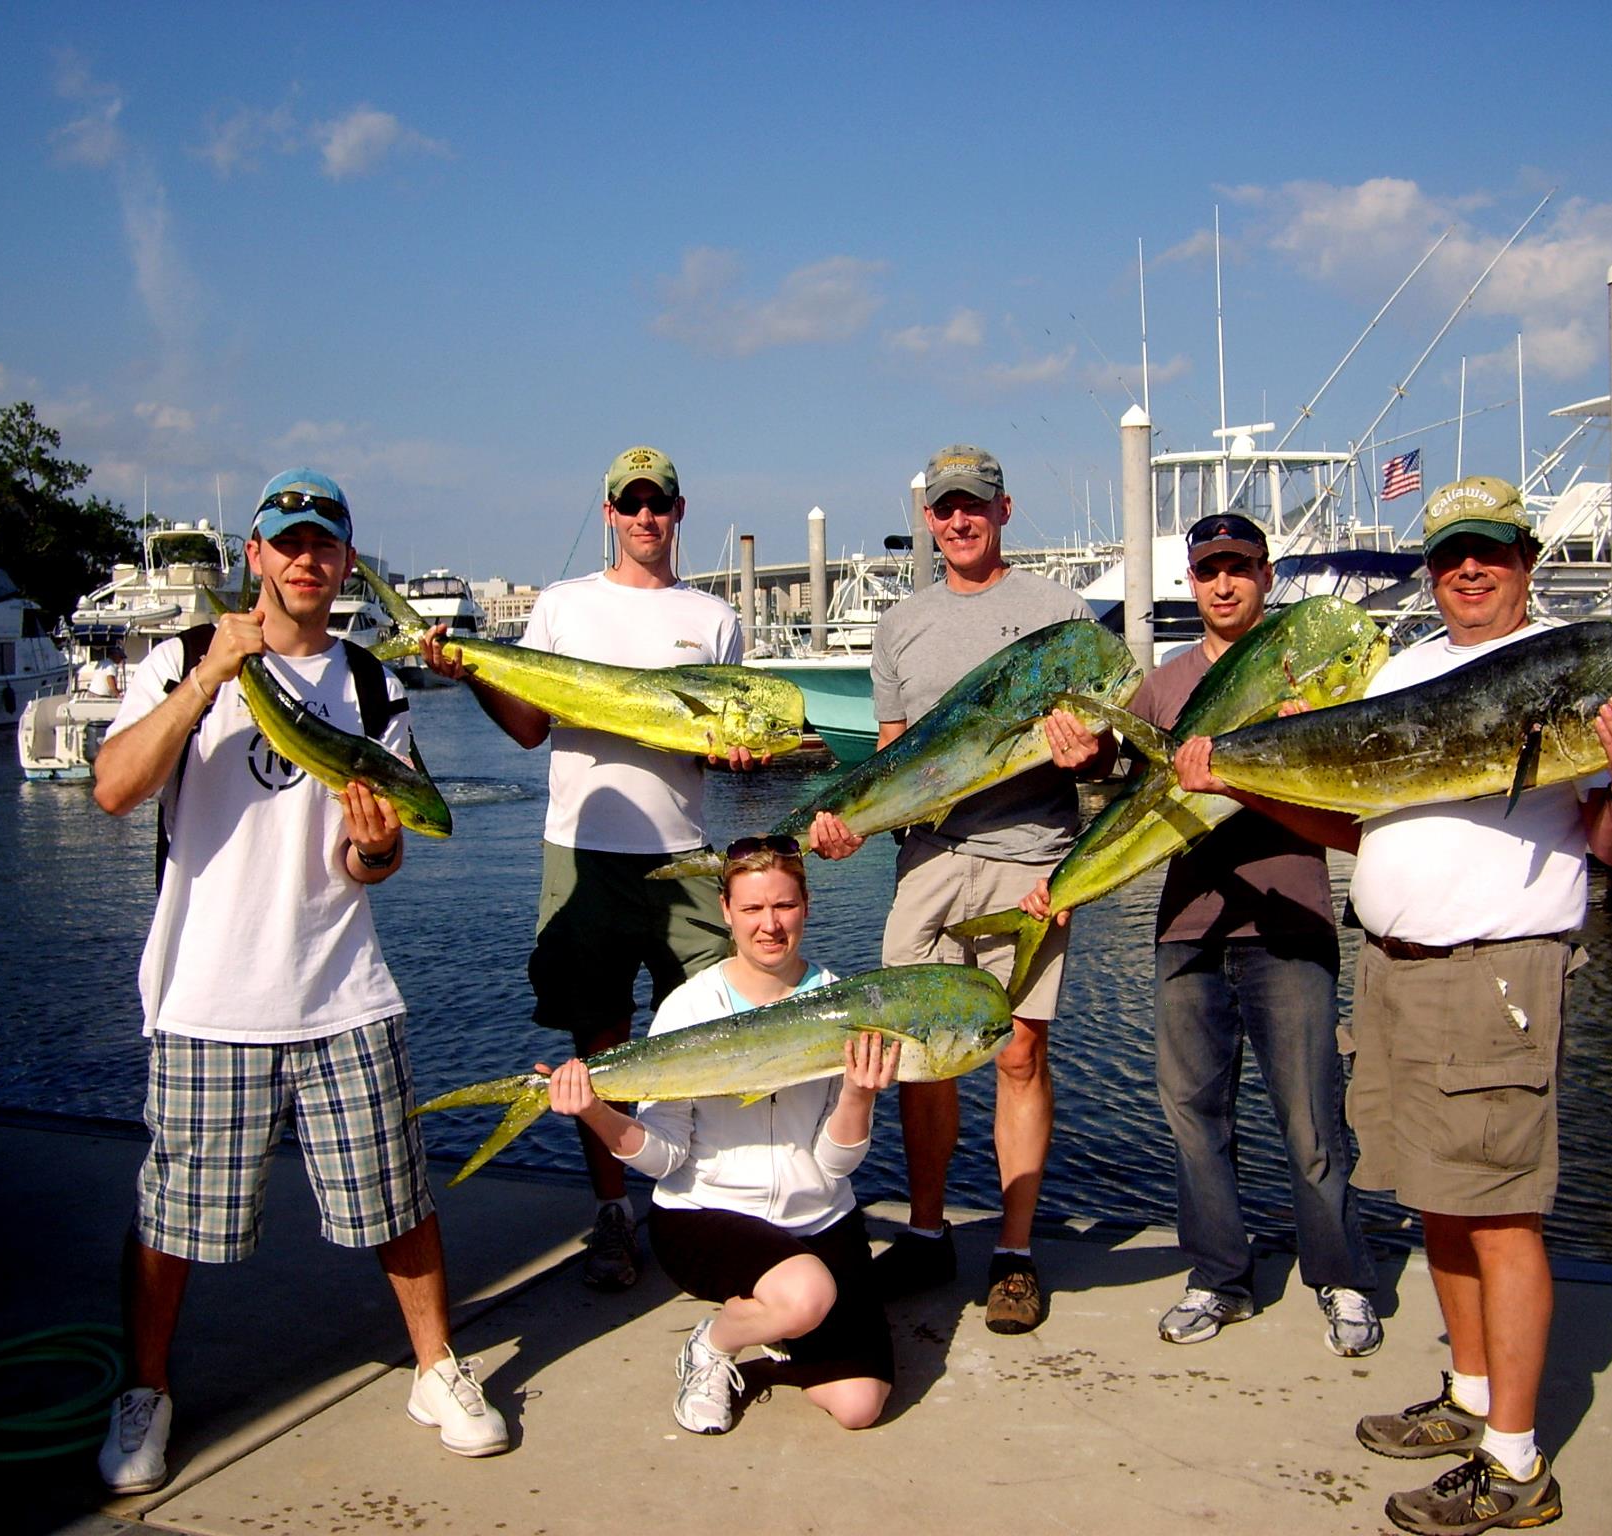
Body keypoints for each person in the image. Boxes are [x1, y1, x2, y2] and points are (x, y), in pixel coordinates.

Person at [1174, 476, 1612, 1535]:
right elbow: (1356, 831)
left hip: (1492, 974)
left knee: (1498, 1212)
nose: (1467, 571)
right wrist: (1235, 780)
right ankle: (1472, 1399)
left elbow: (1610, 846)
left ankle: (1515, 1466)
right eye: (1447, 556)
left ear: (1524, 562)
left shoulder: (1568, 670)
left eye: (1486, 551)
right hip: (1394, 967)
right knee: (1437, 1199)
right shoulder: (1408, 671)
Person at [90, 469, 505, 1494]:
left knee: (396, 1197)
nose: (305, 560)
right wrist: (208, 676)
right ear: (255, 557)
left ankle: (435, 1369)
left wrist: (372, 850)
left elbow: (372, 862)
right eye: (287, 543)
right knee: (172, 1215)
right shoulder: (181, 658)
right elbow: (111, 788)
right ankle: (145, 1390)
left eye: (324, 544)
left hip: (340, 988)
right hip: (205, 994)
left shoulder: (371, 687)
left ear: (345, 561)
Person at [1024, 511, 1384, 1356]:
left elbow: (1352, 793)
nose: (1225, 583)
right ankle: (1220, 1276)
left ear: (1266, 577)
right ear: (1192, 582)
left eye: (1241, 567)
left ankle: (1341, 1276)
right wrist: (1088, 769)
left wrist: (1296, 734)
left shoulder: (1310, 675)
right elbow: (1126, 790)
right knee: (1193, 1112)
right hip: (1185, 927)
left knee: (1310, 1116)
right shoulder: (1164, 685)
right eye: (1210, 570)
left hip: (1288, 919)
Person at [421, 446, 754, 1293]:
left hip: (685, 858)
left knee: (714, 1031)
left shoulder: (713, 619)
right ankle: (611, 1211)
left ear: (681, 511)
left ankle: (706, 1197)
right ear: (608, 512)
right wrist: (469, 676)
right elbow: (531, 729)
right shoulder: (564, 606)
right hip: (583, 854)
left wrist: (745, 754)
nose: (646, 516)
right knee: (597, 1043)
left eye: (660, 502)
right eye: (630, 502)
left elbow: (717, 745)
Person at [809, 444, 1112, 1335]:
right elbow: (899, 761)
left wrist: (1090, 753)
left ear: (1005, 509)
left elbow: (1110, 743)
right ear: (929, 519)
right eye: (945, 508)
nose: (960, 520)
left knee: (1018, 1052)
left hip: (1031, 858)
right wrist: (846, 825)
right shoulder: (900, 624)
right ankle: (930, 1230)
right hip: (928, 864)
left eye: (974, 504)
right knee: (917, 1053)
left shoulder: (1060, 614)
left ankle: (1014, 1253)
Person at [539, 836, 898, 1435]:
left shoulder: (845, 1003)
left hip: (817, 1217)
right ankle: (712, 1345)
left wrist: (860, 1093)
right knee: (806, 1293)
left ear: (807, 905)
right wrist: (597, 1113)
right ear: (726, 911)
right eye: (752, 910)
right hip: (708, 1215)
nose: (769, 926)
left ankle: (779, 1318)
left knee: (859, 1405)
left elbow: (836, 1165)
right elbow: (664, 1156)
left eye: (783, 906)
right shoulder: (690, 1007)